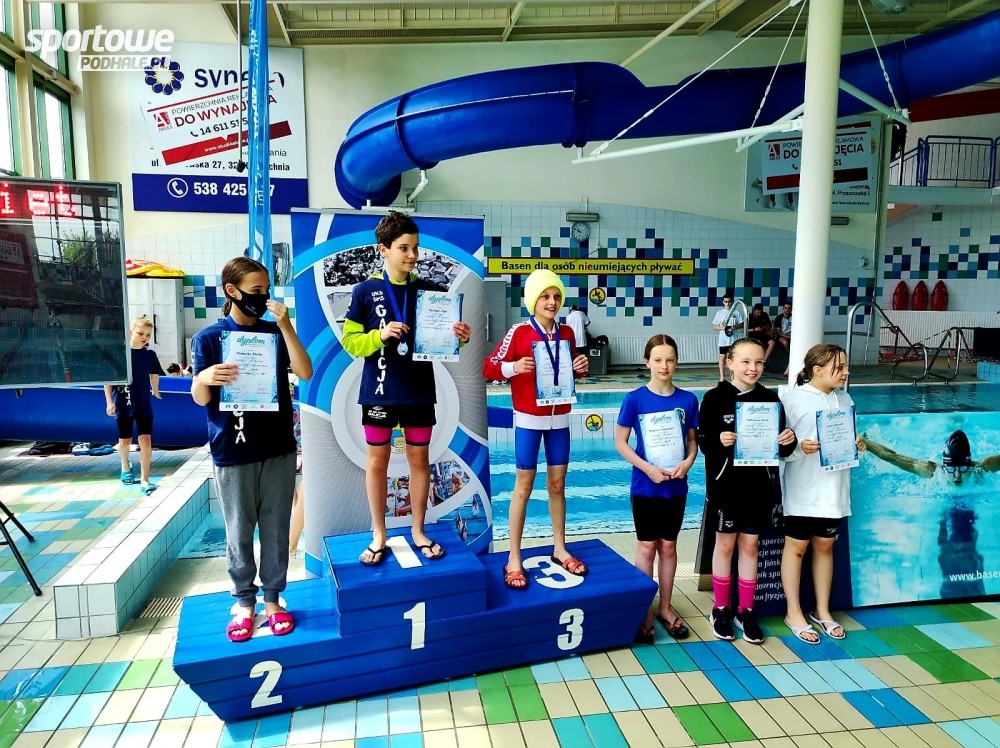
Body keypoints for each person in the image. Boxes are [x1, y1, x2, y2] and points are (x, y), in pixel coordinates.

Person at [190, 256, 313, 643]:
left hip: (277, 446)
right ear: (232, 291)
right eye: (256, 291)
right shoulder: (208, 339)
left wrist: (286, 325)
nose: (263, 298)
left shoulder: (273, 333)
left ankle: (273, 600)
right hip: (232, 448)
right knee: (238, 530)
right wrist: (204, 377)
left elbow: (305, 371)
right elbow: (199, 398)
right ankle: (244, 601)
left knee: (275, 529)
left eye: (266, 291)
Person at [342, 211, 472, 565]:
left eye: (415, 247)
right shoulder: (364, 291)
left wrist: (459, 337)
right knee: (377, 463)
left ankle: (418, 530)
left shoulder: (430, 292)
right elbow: (350, 342)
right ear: (383, 249)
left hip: (417, 390)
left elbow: (442, 343)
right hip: (379, 391)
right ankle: (378, 533)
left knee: (420, 461)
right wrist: (379, 335)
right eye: (404, 248)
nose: (413, 255)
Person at [483, 268, 589, 590]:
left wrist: (580, 368)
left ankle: (560, 548)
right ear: (532, 300)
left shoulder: (567, 333)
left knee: (557, 485)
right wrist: (513, 367)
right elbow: (489, 367)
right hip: (529, 420)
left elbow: (567, 371)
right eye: (545, 296)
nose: (552, 302)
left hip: (560, 420)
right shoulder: (519, 332)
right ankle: (513, 557)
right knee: (524, 487)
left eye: (556, 296)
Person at [697, 338, 797, 645]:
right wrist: (718, 439)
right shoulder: (714, 398)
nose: (753, 368)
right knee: (725, 545)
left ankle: (746, 610)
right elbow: (702, 440)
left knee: (751, 546)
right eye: (745, 362)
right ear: (730, 363)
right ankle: (720, 608)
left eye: (759, 362)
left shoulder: (770, 399)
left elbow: (782, 448)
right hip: (726, 487)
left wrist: (788, 441)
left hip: (759, 489)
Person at [614, 334, 699, 643]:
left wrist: (688, 462)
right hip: (645, 486)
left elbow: (692, 442)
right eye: (658, 360)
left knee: (669, 546)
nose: (664, 366)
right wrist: (647, 468)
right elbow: (621, 442)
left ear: (677, 362)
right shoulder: (634, 399)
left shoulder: (688, 400)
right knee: (647, 547)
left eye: (670, 360)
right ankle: (644, 610)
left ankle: (665, 607)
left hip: (675, 487)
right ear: (647, 361)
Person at [779, 343, 865, 645]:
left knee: (825, 547)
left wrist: (857, 446)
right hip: (803, 488)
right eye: (838, 367)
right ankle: (793, 612)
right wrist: (799, 449)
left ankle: (822, 610)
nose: (845, 372)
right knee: (797, 548)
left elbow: (846, 443)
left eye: (845, 366)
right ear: (817, 370)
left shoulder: (845, 399)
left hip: (834, 489)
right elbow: (779, 448)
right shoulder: (792, 400)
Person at [104, 316, 164, 495]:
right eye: (141, 333)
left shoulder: (149, 355)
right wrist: (109, 402)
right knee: (125, 441)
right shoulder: (120, 354)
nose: (145, 337)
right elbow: (109, 380)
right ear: (130, 332)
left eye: (148, 334)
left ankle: (145, 479)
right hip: (123, 401)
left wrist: (155, 390)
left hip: (143, 402)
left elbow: (154, 374)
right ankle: (125, 465)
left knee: (146, 440)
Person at [859, 429, 1000, 485]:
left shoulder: (980, 470)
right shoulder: (933, 472)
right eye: (951, 469)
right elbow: (892, 457)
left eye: (963, 468)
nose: (957, 475)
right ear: (945, 466)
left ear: (969, 465)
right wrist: (865, 443)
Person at [711, 295, 743, 381]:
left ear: (731, 302)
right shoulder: (720, 313)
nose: (727, 303)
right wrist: (722, 328)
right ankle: (722, 377)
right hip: (723, 340)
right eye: (725, 302)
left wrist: (735, 326)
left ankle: (733, 377)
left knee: (731, 359)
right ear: (723, 302)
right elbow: (714, 326)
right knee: (722, 357)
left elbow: (741, 324)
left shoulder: (736, 312)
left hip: (733, 340)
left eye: (729, 301)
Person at [767, 301, 793, 376]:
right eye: (786, 308)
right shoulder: (779, 318)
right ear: (783, 309)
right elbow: (778, 331)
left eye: (789, 308)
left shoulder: (795, 317)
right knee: (785, 342)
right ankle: (790, 354)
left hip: (793, 335)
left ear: (791, 309)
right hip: (782, 336)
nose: (787, 310)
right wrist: (787, 336)